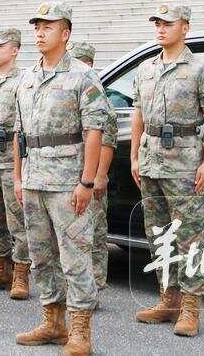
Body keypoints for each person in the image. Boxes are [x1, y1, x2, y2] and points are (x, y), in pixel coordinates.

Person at [13, 2, 110, 356]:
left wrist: (86, 182)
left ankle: (80, 330)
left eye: (48, 27)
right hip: (34, 178)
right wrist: (18, 177)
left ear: (65, 34)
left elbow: (94, 130)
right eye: (37, 26)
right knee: (41, 256)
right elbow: (18, 133)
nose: (40, 32)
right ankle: (52, 322)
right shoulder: (26, 77)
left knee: (75, 257)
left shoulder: (83, 76)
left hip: (68, 182)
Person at [130, 4, 204, 338]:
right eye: (157, 23)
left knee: (189, 236)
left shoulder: (201, 70)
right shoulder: (145, 69)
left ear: (185, 27)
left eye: (168, 24)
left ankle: (191, 307)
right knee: (157, 234)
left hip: (185, 163)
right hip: (151, 160)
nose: (160, 29)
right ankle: (167, 299)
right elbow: (137, 116)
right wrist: (134, 158)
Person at [0, 27, 30, 300]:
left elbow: (22, 128)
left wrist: (21, 169)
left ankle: (22, 273)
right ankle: (2, 266)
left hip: (12, 160)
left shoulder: (23, 81)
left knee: (18, 222)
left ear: (14, 50)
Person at [68, 41, 118, 295]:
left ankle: (96, 281)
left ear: (88, 64)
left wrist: (99, 176)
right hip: (72, 175)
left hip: (92, 177)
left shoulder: (99, 101)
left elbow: (107, 142)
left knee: (95, 233)